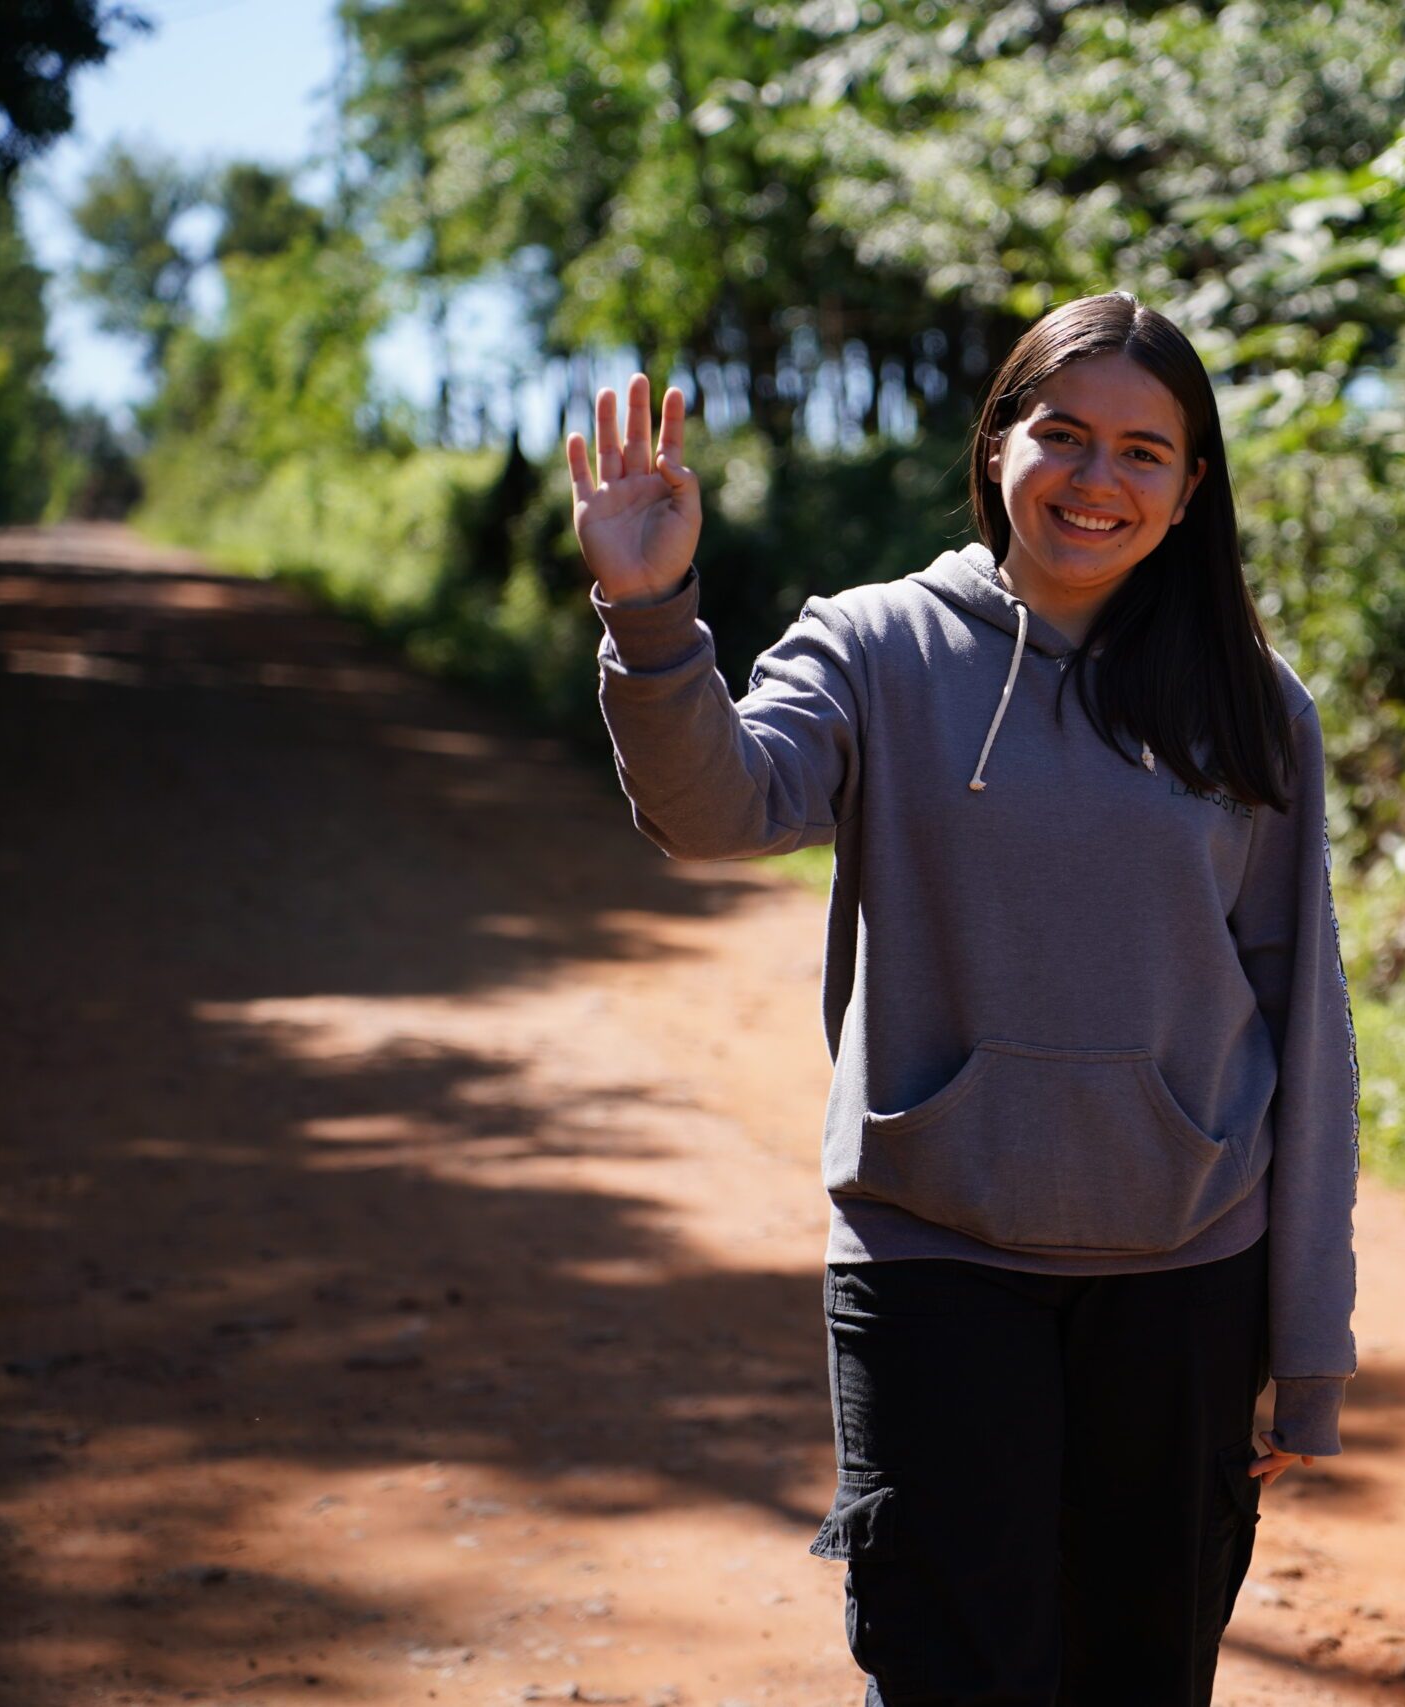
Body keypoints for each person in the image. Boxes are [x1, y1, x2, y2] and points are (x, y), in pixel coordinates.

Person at [566, 291, 1360, 1705]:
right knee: (943, 1678)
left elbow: (1307, 1034)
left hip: (1180, 1279)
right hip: (933, 1261)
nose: (1096, 480)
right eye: (1062, 434)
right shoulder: (875, 647)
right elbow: (716, 809)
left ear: (1190, 492)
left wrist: (1307, 1348)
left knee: (1141, 1680)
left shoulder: (1250, 705)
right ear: (999, 448)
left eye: (1142, 452)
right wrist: (648, 609)